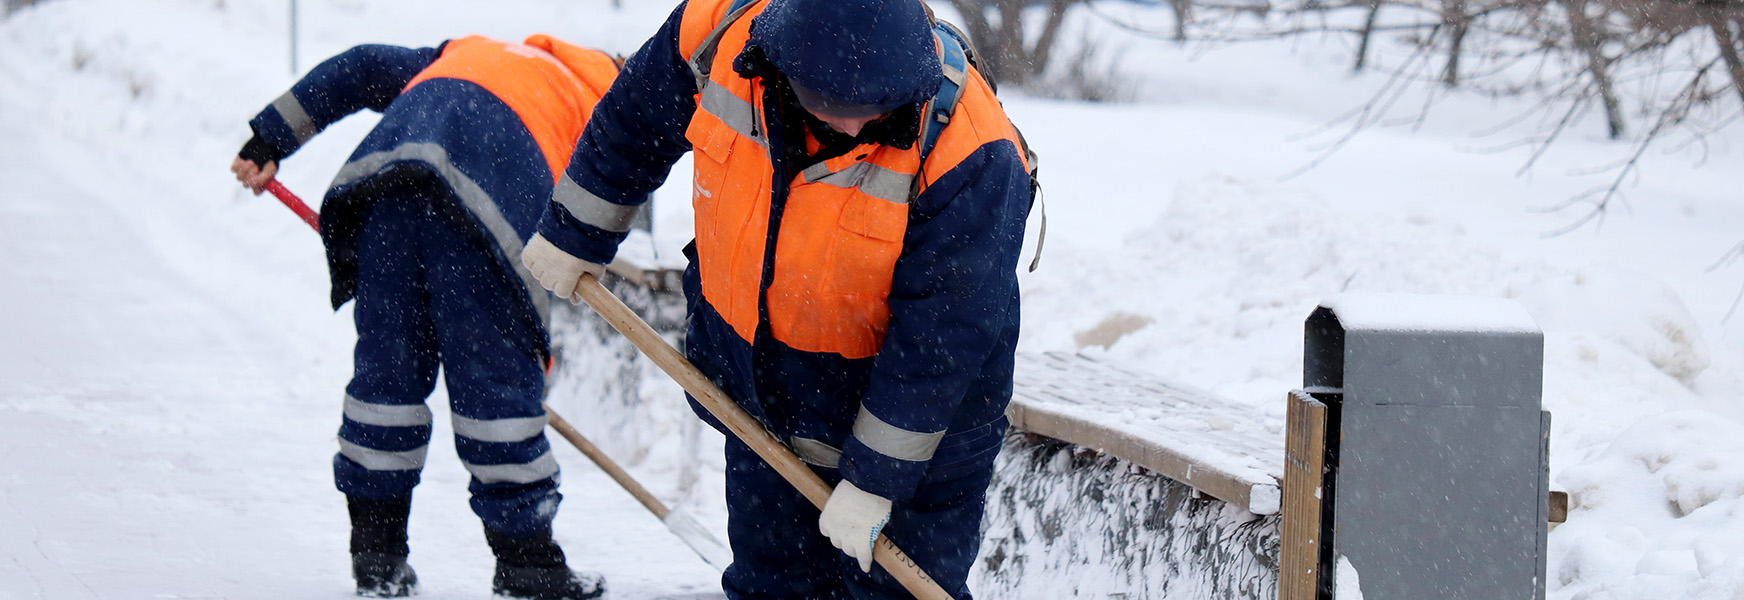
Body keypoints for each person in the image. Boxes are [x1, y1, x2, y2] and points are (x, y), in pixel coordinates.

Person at [519, 0, 1035, 597]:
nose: (851, 125)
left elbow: (941, 340)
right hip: (766, 404)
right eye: (834, 105)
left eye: (874, 107)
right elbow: (637, 119)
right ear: (778, 64)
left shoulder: (973, 152)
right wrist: (575, 231)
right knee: (771, 586)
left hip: (920, 439)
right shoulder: (718, 31)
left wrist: (877, 481)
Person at [230, 34, 622, 600]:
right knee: (495, 390)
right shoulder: (606, 101)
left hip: (386, 179)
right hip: (488, 198)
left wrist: (270, 136)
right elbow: (600, 211)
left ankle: (377, 558)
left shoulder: (476, 50)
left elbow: (363, 66)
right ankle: (528, 565)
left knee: (386, 379)